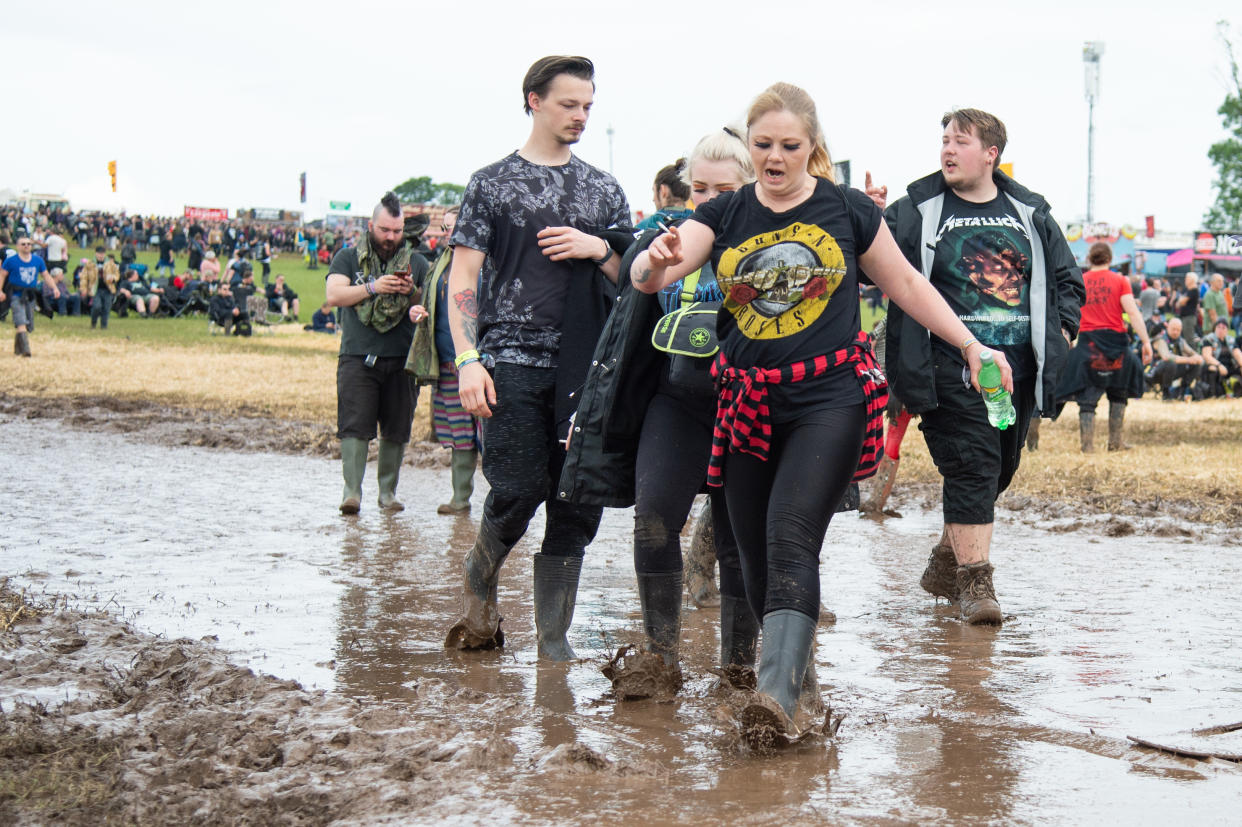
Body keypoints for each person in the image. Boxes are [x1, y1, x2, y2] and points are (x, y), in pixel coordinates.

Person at [628, 83, 1005, 744]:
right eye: (764, 145)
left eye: (789, 146)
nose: (775, 157)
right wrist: (650, 266)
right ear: (750, 147)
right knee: (752, 557)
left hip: (828, 396)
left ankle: (773, 699)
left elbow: (908, 284)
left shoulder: (846, 209)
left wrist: (972, 345)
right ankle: (796, 685)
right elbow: (662, 266)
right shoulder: (726, 212)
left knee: (791, 531)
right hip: (746, 400)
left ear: (813, 148)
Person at [442, 55, 632, 662]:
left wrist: (597, 245)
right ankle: (481, 576)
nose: (580, 116)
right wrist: (469, 359)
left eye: (588, 107)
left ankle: (554, 642)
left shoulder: (604, 189)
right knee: (519, 490)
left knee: (578, 506)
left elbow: (637, 276)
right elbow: (462, 278)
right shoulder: (491, 183)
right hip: (511, 360)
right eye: (569, 104)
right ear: (534, 100)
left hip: (589, 367)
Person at [559, 128, 755, 687]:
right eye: (699, 187)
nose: (709, 198)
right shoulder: (665, 230)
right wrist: (613, 251)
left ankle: (738, 669)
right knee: (651, 521)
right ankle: (662, 658)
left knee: (737, 537)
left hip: (744, 405)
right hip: (676, 399)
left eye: (723, 188)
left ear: (745, 186)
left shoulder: (769, 237)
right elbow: (632, 269)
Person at [885, 108, 1083, 626]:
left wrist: (1060, 335)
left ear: (991, 153)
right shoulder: (915, 211)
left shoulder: (1030, 211)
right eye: (944, 140)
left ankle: (949, 557)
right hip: (947, 364)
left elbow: (1067, 280)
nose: (947, 150)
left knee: (999, 468)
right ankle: (977, 585)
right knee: (971, 464)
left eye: (960, 142)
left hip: (1016, 369)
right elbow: (874, 258)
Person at [325, 192, 428, 515]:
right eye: (385, 230)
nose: (391, 237)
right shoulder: (348, 257)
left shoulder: (417, 261)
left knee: (397, 429)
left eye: (397, 231)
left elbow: (427, 305)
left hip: (401, 357)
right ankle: (351, 492)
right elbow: (334, 295)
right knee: (354, 426)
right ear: (371, 225)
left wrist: (411, 293)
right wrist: (374, 287)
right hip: (357, 355)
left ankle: (387, 493)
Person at [405, 206, 481, 515]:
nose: (448, 233)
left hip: (482, 364)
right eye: (445, 227)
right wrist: (417, 311)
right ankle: (460, 498)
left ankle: (503, 506)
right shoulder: (440, 266)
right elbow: (428, 303)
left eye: (454, 226)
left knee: (492, 436)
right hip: (447, 362)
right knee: (459, 436)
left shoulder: (484, 262)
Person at [1055, 242, 1151, 452]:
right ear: (1110, 258)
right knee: (1119, 390)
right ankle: (1115, 442)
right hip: (1116, 343)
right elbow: (1133, 313)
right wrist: (1146, 342)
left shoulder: (1081, 280)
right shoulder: (1120, 280)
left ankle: (1087, 446)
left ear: (1090, 259)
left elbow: (1069, 311)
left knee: (1087, 396)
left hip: (1089, 344)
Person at [0, 237, 47, 356]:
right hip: (15, 295)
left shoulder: (37, 260)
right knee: (21, 321)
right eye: (23, 244)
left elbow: (45, 275)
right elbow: (2, 275)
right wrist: (0, 291)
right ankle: (26, 350)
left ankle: (17, 350)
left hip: (30, 295)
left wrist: (55, 288)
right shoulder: (11, 261)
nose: (26, 246)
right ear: (18, 246)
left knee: (28, 324)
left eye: (28, 244)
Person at [1150, 317, 1203, 400]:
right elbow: (1167, 357)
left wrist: (1197, 358)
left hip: (1173, 371)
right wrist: (1189, 359)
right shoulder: (1160, 339)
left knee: (1195, 364)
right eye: (1173, 329)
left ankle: (1183, 390)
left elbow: (1193, 353)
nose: (1175, 332)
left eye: (1178, 330)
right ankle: (1166, 393)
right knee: (1171, 363)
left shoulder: (1181, 341)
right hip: (1156, 372)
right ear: (1168, 327)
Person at [634, 159, 693, 232]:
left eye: (654, 191)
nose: (653, 199)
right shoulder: (700, 223)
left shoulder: (644, 227)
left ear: (663, 190)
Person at [1200, 318, 1242, 397]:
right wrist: (1219, 365)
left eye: (1223, 328)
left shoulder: (1231, 340)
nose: (1220, 330)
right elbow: (1207, 356)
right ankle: (1212, 394)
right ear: (1215, 328)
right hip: (1215, 365)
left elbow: (1237, 354)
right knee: (1212, 368)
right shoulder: (1209, 339)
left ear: (1227, 330)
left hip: (1229, 366)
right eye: (1218, 327)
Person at [81, 248, 121, 329]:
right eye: (99, 254)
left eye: (102, 254)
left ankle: (104, 326)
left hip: (108, 289)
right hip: (95, 289)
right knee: (96, 306)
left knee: (106, 308)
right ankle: (93, 322)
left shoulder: (110, 264)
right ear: (96, 254)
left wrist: (113, 278)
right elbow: (84, 277)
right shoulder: (90, 264)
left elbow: (117, 274)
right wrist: (83, 288)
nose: (100, 255)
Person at [1176, 272, 1200, 343]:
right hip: (1185, 317)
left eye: (1187, 278)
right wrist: (1180, 301)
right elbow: (1178, 304)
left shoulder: (1194, 290)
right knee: (1184, 338)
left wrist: (1181, 300)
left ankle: (1193, 353)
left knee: (1189, 339)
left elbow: (1182, 302)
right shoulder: (1187, 290)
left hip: (1189, 317)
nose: (1185, 280)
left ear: (1192, 280)